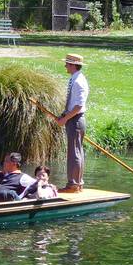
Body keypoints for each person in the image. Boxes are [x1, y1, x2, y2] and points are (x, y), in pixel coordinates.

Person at [56, 53, 89, 193]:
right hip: (74, 119)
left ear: (73, 65)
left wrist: (65, 119)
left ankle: (74, 185)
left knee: (74, 153)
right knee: (77, 151)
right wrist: (64, 114)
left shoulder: (78, 81)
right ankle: (77, 183)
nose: (65, 66)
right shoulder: (75, 79)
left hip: (75, 120)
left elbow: (78, 106)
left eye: (67, 64)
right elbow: (73, 105)